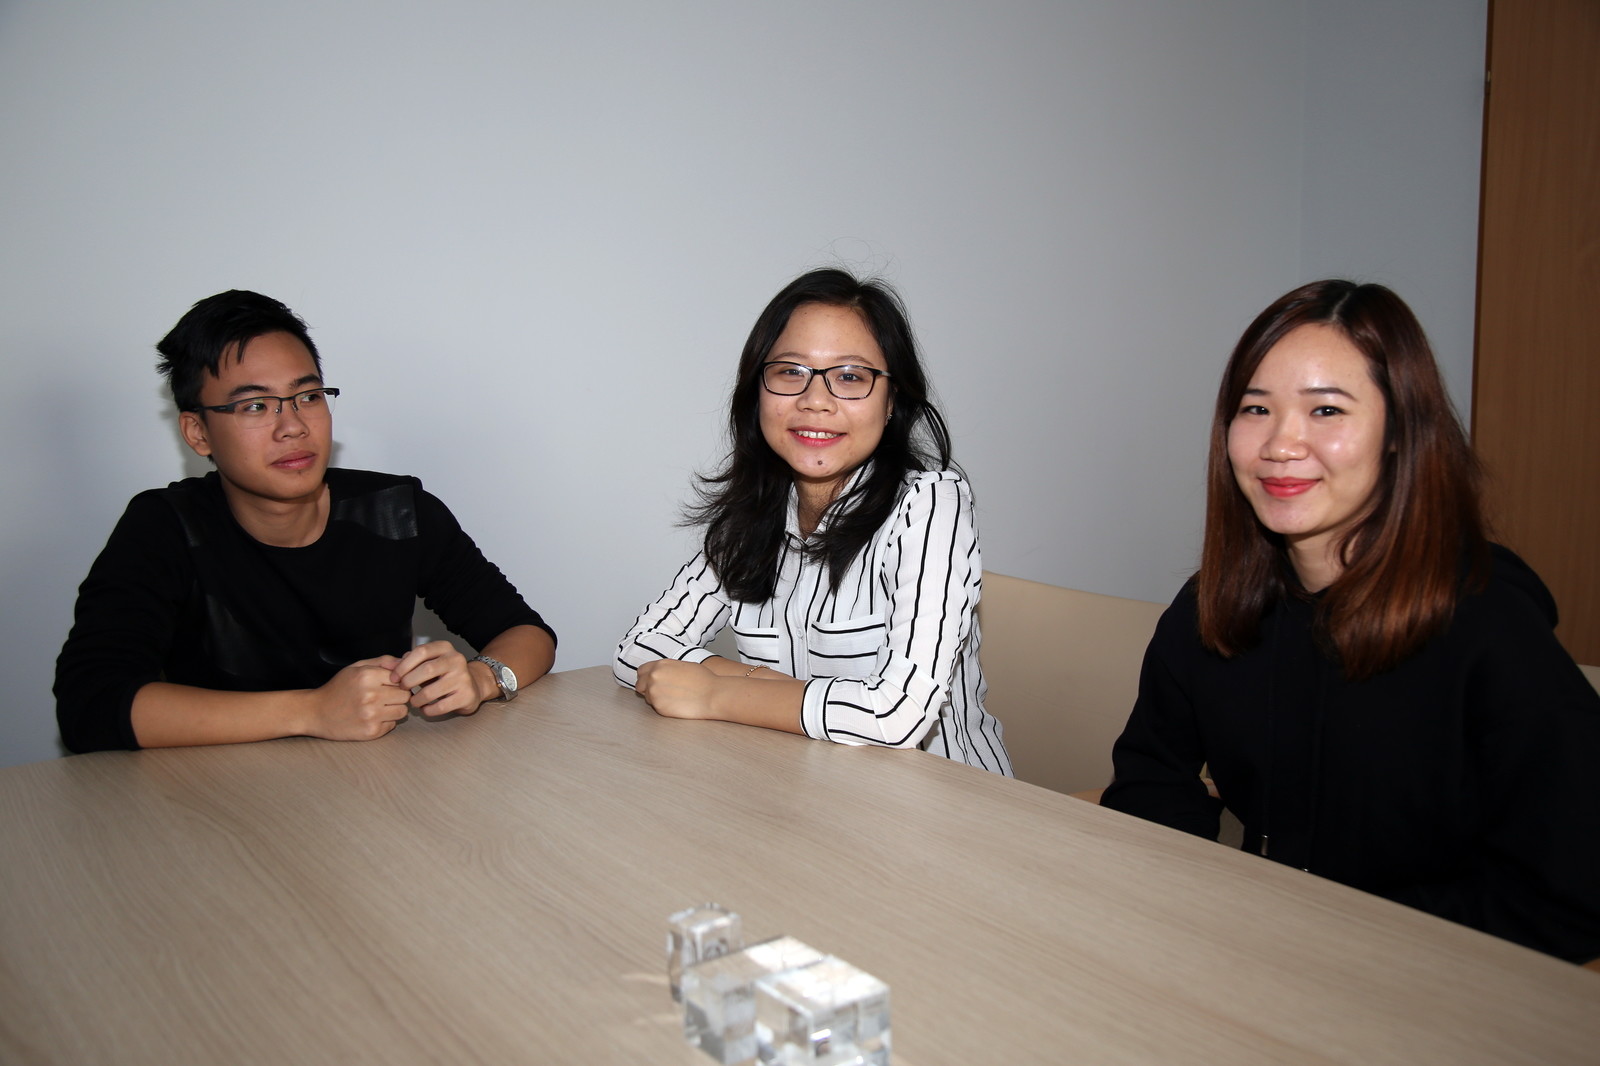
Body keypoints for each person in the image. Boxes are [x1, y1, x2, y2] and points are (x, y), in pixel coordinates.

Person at [1100, 279, 1600, 963]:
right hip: (1260, 955)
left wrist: (1341, 939)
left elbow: (1571, 890)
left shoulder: (1486, 623)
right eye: (1256, 409)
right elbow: (1151, 783)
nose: (1282, 443)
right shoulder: (1215, 603)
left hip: (1436, 974)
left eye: (1327, 410)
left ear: (1399, 434)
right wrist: (1206, 908)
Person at [55, 290, 556, 753]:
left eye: (308, 396)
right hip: (218, 795)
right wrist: (312, 711)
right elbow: (91, 706)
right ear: (198, 432)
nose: (293, 426)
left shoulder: (398, 510)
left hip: (375, 785)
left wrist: (482, 678)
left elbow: (526, 632)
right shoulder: (164, 527)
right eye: (255, 405)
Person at [613, 268, 1010, 774]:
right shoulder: (752, 514)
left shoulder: (930, 503)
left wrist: (715, 694)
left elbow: (898, 715)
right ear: (758, 391)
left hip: (946, 802)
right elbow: (637, 648)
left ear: (892, 401)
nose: (815, 401)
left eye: (850, 377)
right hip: (801, 790)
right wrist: (758, 683)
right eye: (790, 372)